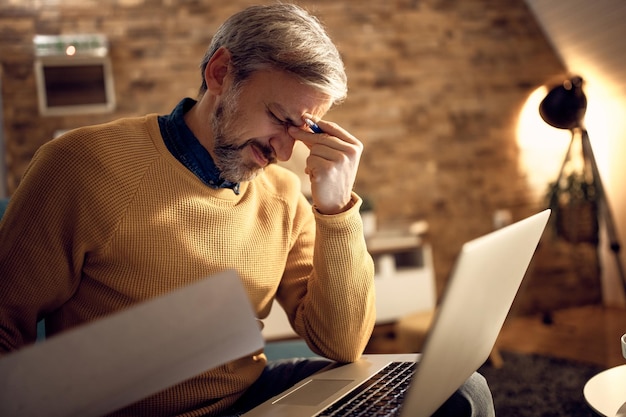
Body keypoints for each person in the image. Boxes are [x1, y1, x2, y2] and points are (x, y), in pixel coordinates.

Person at [0, 4, 494, 417]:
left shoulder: (281, 195)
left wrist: (337, 208)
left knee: (462, 391)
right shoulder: (83, 165)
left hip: (251, 399)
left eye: (303, 132)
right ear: (220, 74)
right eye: (280, 120)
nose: (284, 152)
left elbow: (341, 345)